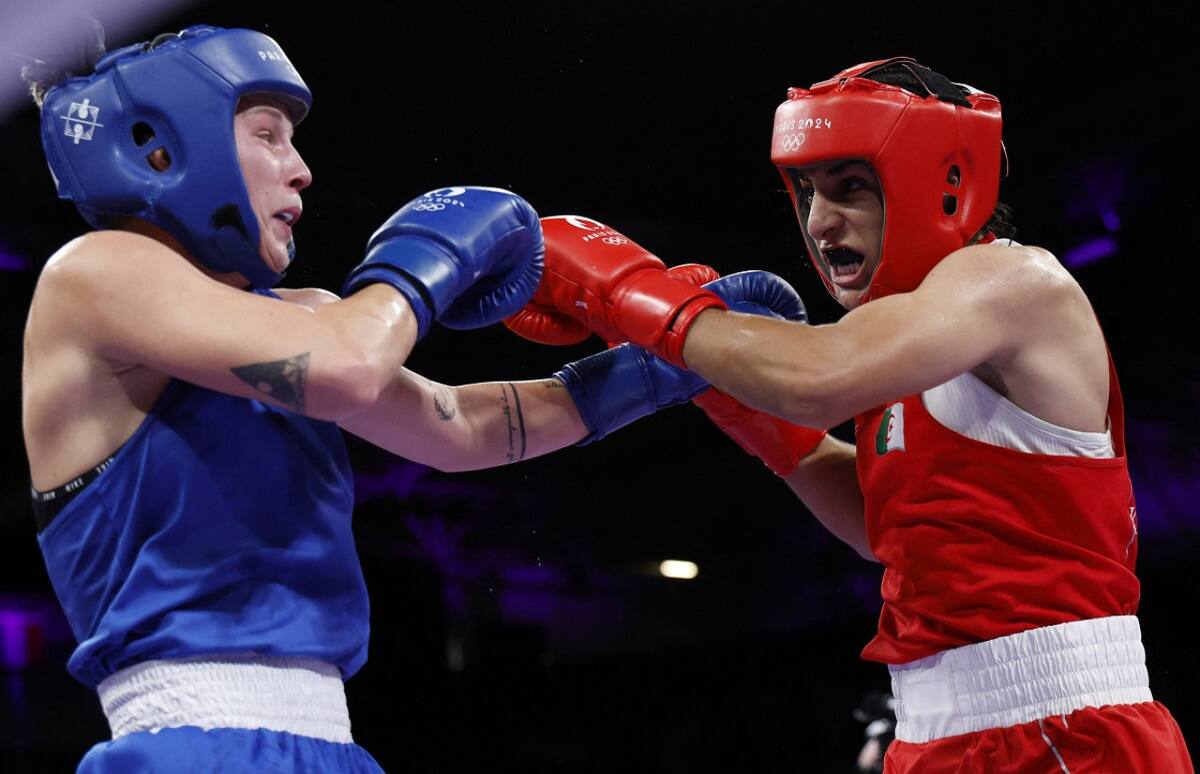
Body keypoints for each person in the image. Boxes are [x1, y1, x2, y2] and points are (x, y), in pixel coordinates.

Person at [20, 21, 801, 773]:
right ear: (163, 146)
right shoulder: (95, 274)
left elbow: (462, 429)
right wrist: (422, 260)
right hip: (192, 740)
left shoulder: (305, 320)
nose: (301, 169)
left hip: (331, 742)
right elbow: (348, 366)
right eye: (267, 135)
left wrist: (663, 364)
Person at [503, 57, 1194, 772]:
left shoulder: (1012, 282)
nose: (820, 220)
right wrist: (767, 428)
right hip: (931, 734)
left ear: (947, 185)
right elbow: (885, 525)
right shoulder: (905, 341)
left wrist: (628, 291)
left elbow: (816, 379)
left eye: (851, 188)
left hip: (1063, 728)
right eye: (805, 191)